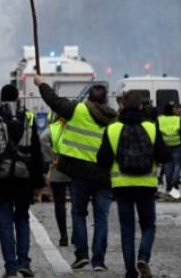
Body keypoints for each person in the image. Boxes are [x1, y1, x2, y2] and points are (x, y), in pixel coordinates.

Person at [34, 76, 116, 271]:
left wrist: (41, 84)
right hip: (104, 176)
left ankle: (81, 255)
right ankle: (99, 260)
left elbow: (54, 101)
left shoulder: (77, 110)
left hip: (79, 173)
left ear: (88, 98)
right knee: (101, 217)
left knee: (78, 213)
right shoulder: (113, 119)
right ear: (105, 100)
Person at [97, 91, 171, 278]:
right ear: (141, 106)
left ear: (121, 105)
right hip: (146, 184)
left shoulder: (112, 129)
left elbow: (103, 160)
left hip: (122, 185)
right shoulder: (152, 128)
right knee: (148, 225)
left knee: (127, 229)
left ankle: (130, 270)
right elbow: (164, 155)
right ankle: (143, 257)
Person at [0, 84, 45, 278]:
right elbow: (36, 151)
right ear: (18, 98)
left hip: (0, 177)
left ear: (1, 98)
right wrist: (38, 180)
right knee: (23, 219)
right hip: (24, 179)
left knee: (4, 222)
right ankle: (25, 262)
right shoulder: (28, 118)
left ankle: (10, 268)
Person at [39, 116, 71, 246]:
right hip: (76, 167)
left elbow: (43, 139)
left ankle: (63, 236)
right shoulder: (74, 126)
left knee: (59, 203)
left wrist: (51, 158)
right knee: (78, 205)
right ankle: (78, 235)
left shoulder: (52, 128)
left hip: (58, 167)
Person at [157, 103, 181, 198]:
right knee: (178, 165)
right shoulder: (177, 119)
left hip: (165, 145)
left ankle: (168, 186)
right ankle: (174, 182)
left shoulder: (160, 119)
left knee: (168, 166)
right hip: (176, 144)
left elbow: (158, 133)